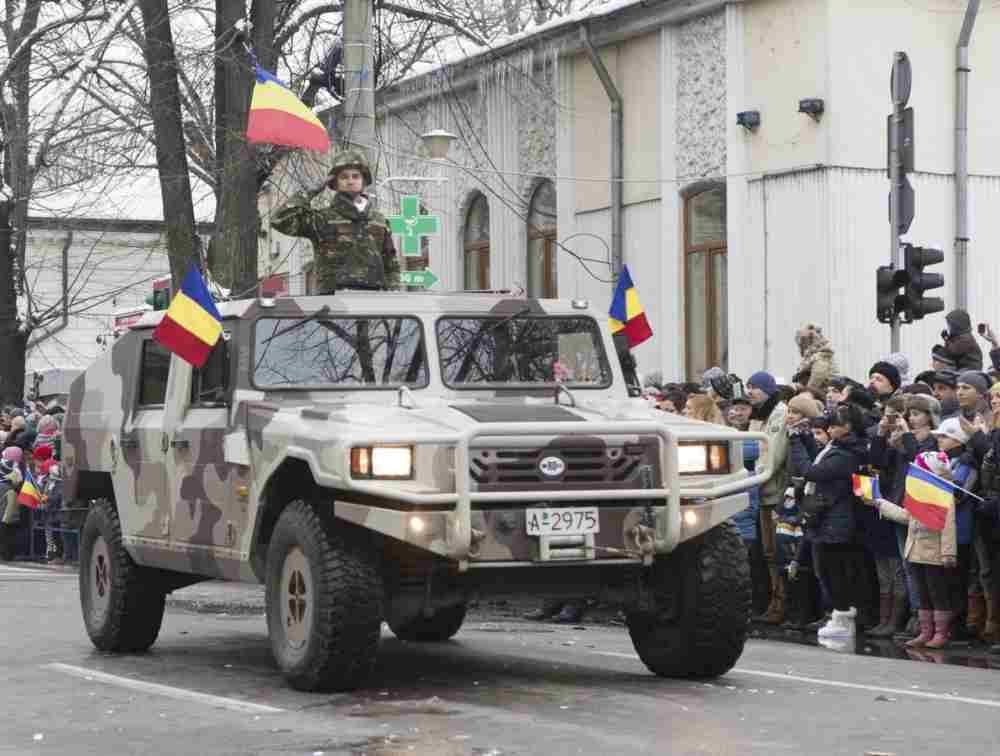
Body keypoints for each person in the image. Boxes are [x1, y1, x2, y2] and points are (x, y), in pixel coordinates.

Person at [271, 150, 400, 293]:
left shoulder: (379, 220)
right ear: (335, 183)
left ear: (363, 181)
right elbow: (280, 219)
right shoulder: (322, 219)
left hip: (374, 300)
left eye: (355, 176)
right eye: (344, 177)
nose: (350, 181)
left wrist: (394, 294)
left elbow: (391, 264)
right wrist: (310, 191)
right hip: (333, 300)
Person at [873, 447, 961, 649]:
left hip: (934, 553)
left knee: (937, 593)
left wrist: (948, 552)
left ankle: (940, 633)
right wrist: (882, 504)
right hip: (915, 551)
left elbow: (949, 525)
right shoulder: (919, 495)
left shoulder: (942, 494)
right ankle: (925, 631)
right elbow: (907, 516)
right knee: (922, 593)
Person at [798, 403, 868, 641]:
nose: (829, 428)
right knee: (828, 570)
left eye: (834, 424)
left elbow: (812, 472)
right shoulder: (838, 448)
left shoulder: (847, 453)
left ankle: (843, 616)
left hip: (837, 519)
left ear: (847, 427)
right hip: (828, 517)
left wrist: (796, 444)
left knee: (834, 571)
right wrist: (804, 437)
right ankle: (839, 616)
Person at [747, 371, 789, 622]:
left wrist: (754, 477)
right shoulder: (759, 414)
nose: (751, 391)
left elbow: (772, 453)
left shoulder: (779, 414)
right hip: (760, 491)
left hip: (773, 491)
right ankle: (773, 601)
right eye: (749, 386)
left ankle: (781, 603)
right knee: (767, 552)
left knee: (776, 552)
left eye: (756, 387)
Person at [792, 324, 838, 394]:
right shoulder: (814, 356)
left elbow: (814, 384)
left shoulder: (821, 356)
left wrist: (802, 391)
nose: (800, 348)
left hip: (820, 396)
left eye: (801, 344)